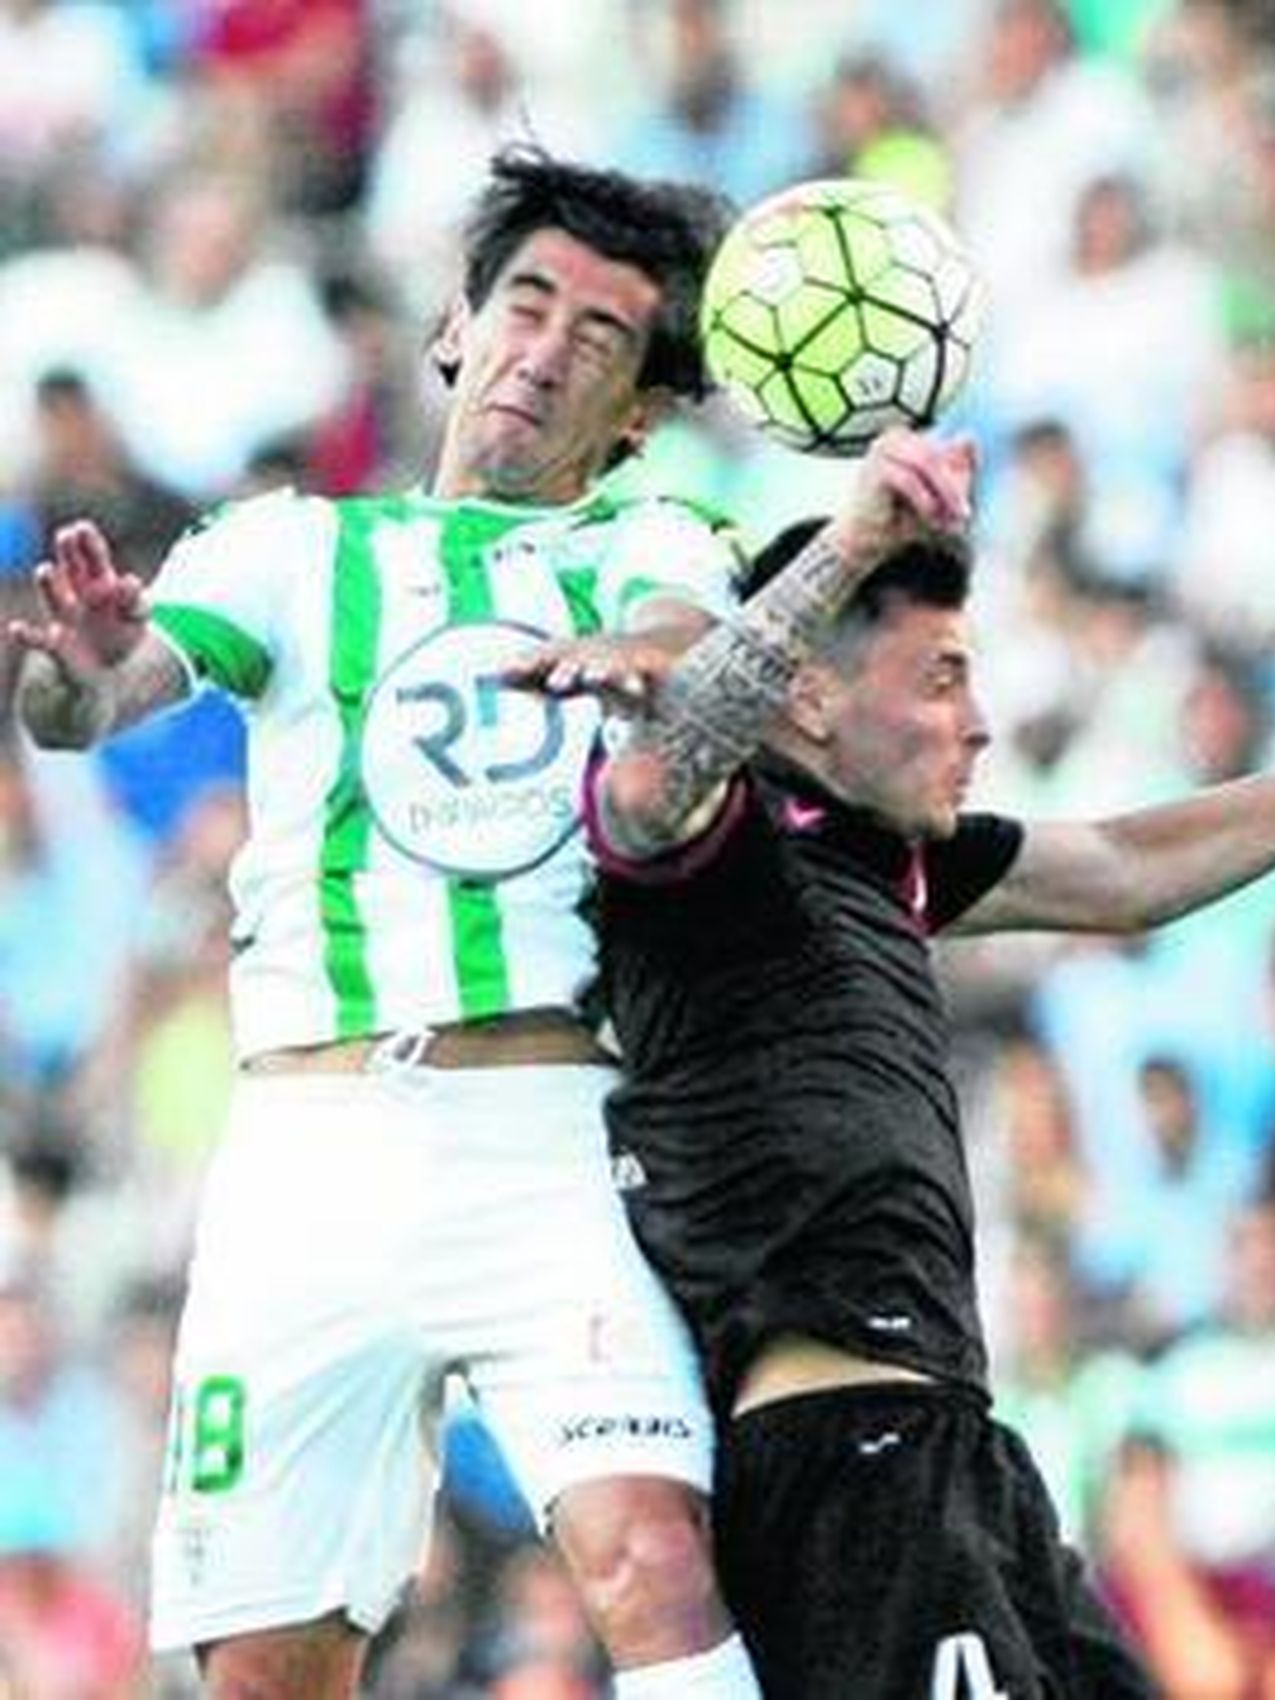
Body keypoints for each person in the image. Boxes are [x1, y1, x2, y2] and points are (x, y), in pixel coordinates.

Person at [519, 424, 1275, 1698]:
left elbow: (1129, 868)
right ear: (811, 696)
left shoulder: (886, 854)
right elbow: (657, 773)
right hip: (845, 1462)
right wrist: (858, 536)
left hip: (958, 1448)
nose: (977, 723)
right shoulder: (719, 860)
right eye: (941, 680)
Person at [6, 143, 761, 1700]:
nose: (546, 352)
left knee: (654, 1561)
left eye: (603, 339)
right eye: (527, 305)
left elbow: (698, 649)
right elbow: (87, 706)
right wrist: (74, 668)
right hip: (310, 1150)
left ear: (637, 414)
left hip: (540, 1126)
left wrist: (645, 658)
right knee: (268, 1668)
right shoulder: (289, 549)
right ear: (454, 328)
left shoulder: (649, 546)